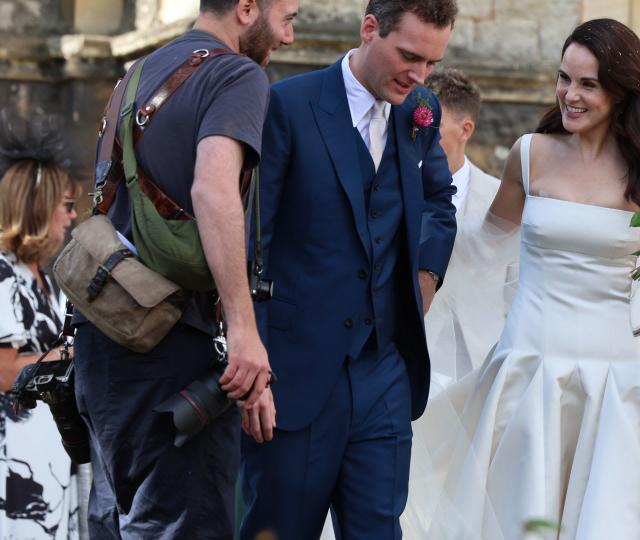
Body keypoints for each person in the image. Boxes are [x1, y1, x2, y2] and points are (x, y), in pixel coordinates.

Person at [403, 18, 640, 540]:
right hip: (530, 366)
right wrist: (409, 234)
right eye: (564, 78)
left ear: (621, 91)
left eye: (588, 83)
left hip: (614, 375)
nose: (570, 94)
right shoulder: (530, 154)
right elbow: (482, 244)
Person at [71, 0, 298, 537]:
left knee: (118, 524)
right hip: (171, 345)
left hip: (106, 339)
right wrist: (245, 333)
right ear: (247, 9)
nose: (289, 38)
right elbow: (213, 189)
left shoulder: (137, 73)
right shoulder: (234, 73)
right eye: (288, 19)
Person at [236, 0, 458, 537]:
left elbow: (438, 202)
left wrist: (425, 277)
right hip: (295, 374)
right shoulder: (287, 105)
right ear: (368, 29)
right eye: (408, 56)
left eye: (431, 63)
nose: (419, 75)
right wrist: (254, 368)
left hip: (384, 371)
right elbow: (251, 245)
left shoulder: (419, 111)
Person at [0, 111, 80, 539]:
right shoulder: (2, 274)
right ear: (37, 208)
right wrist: (72, 354)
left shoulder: (47, 277)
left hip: (50, 451)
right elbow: (6, 371)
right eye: (66, 207)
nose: (71, 218)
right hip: (13, 459)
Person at [422, 68, 517, 386]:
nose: (421, 133)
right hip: (417, 354)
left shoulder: (500, 196)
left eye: (432, 126)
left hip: (481, 360)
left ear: (465, 130)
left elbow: (516, 283)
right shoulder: (396, 189)